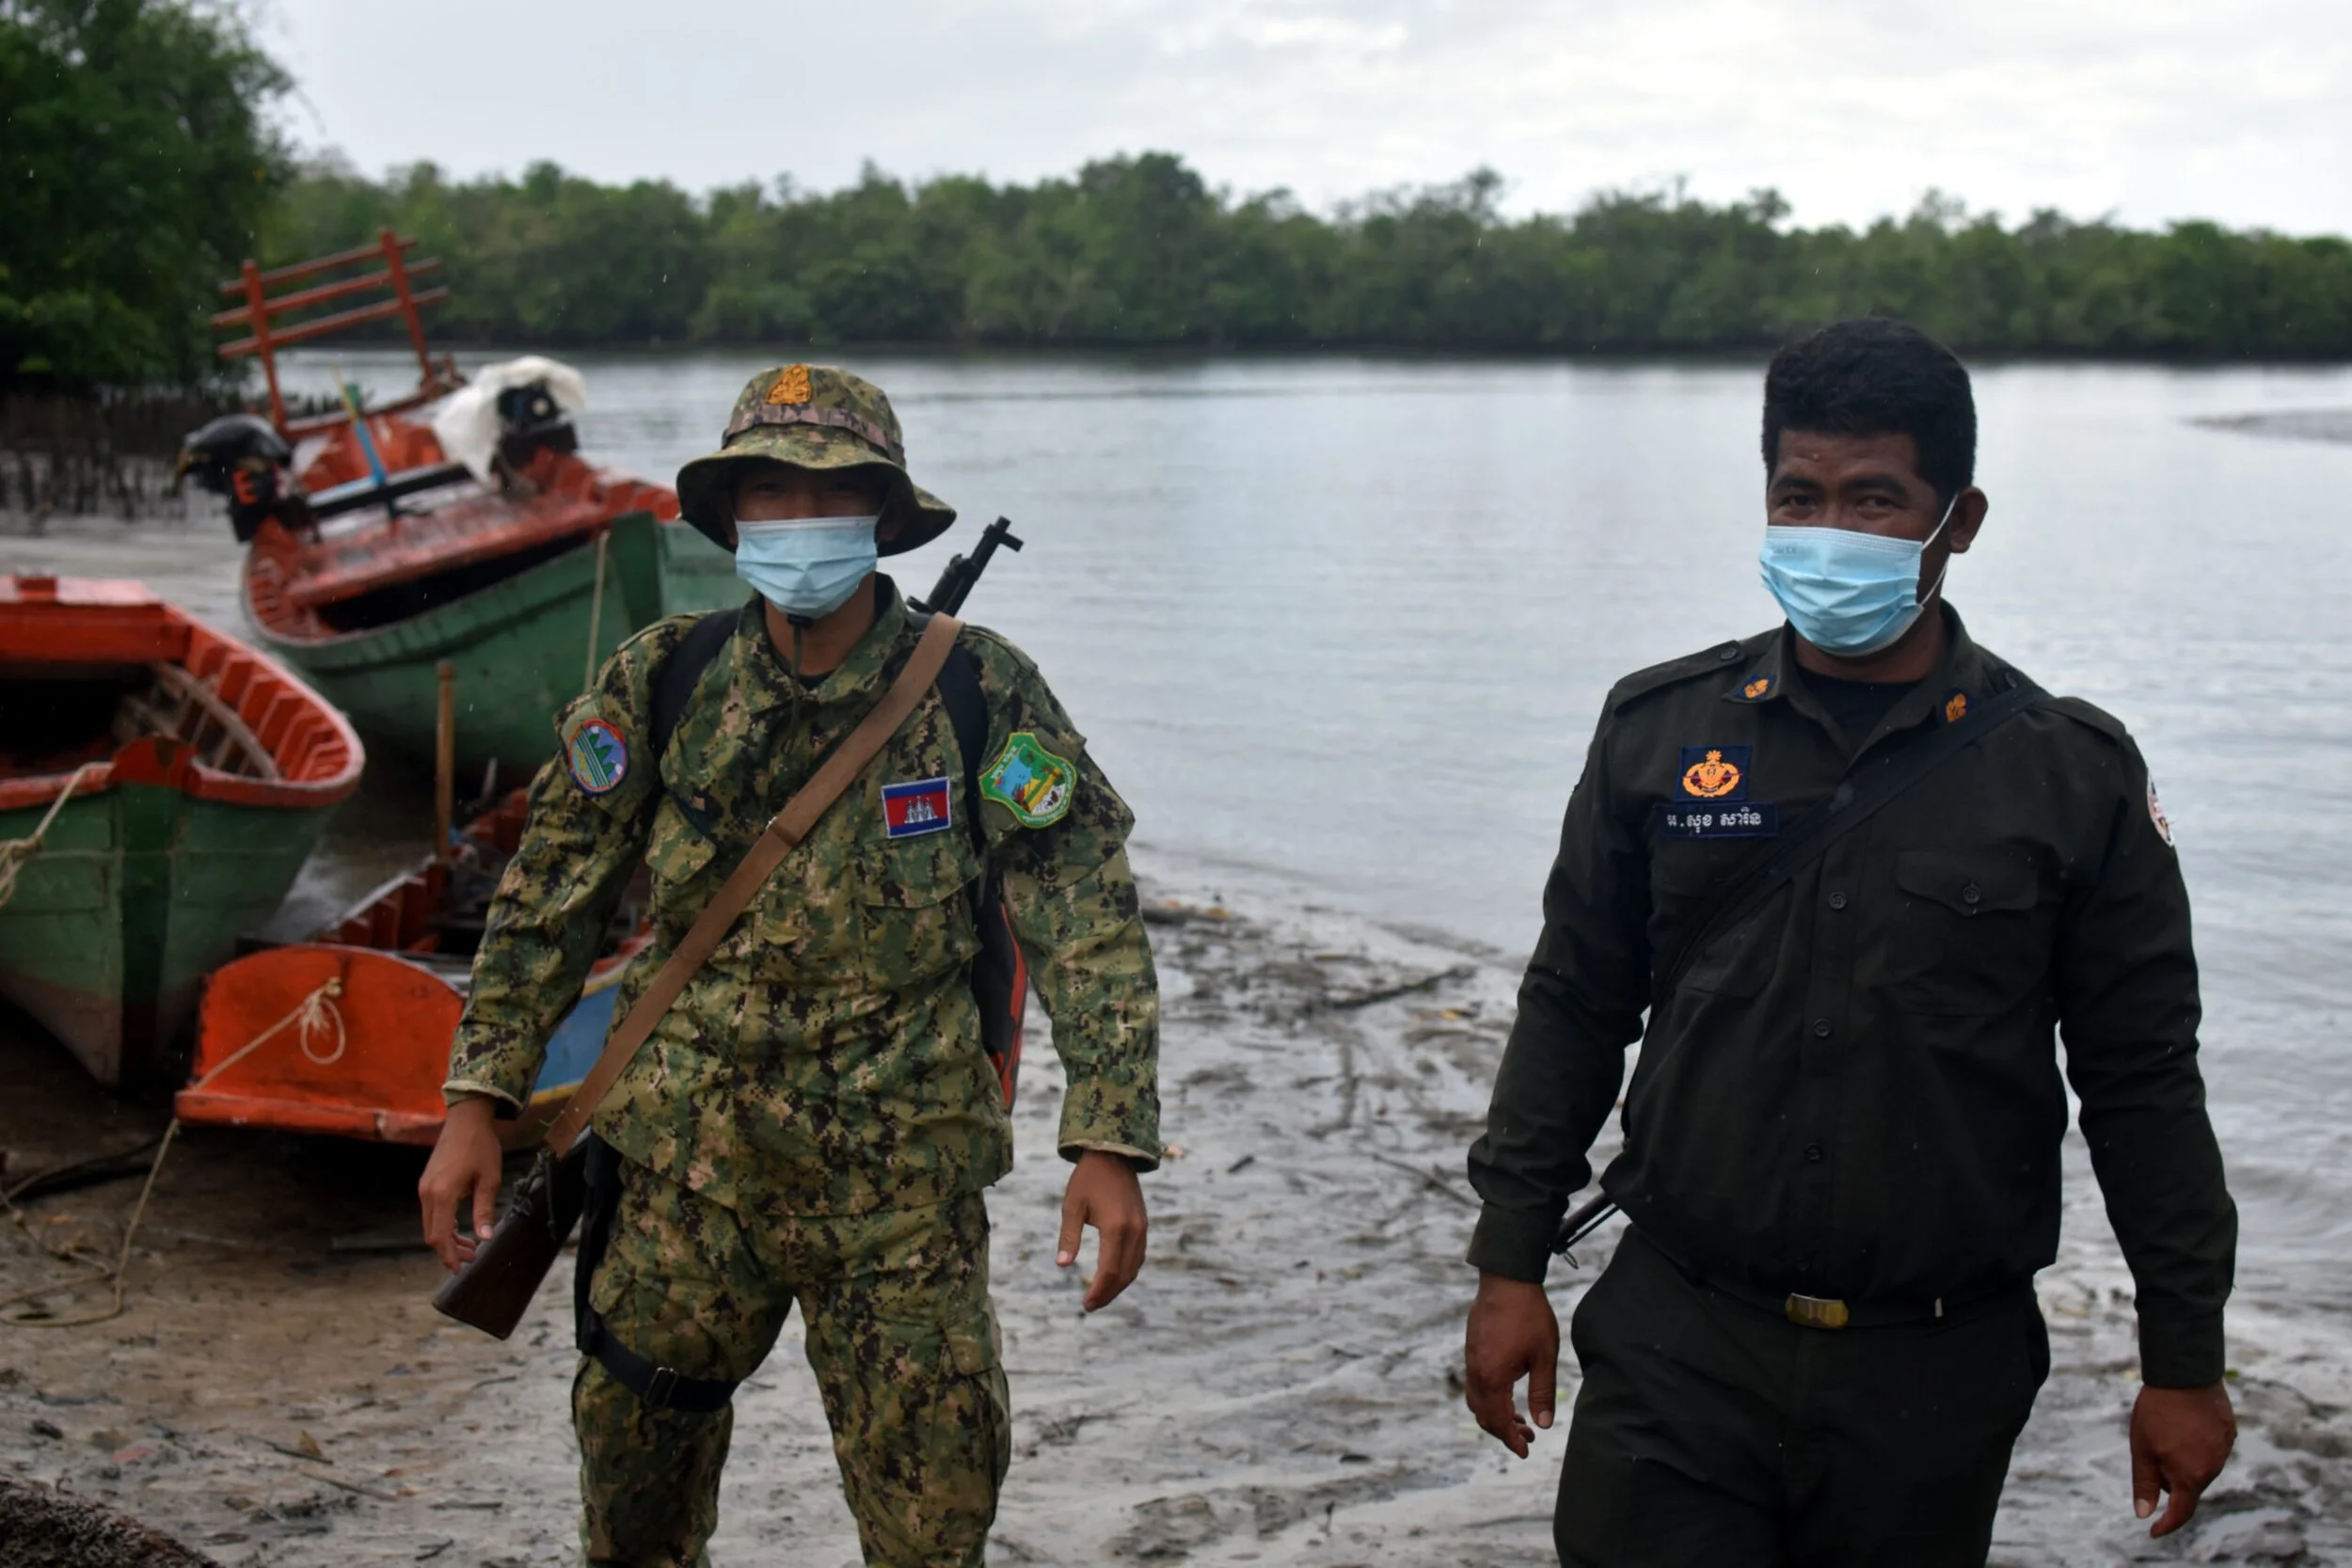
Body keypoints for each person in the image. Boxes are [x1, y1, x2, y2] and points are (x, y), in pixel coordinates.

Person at [1460, 318, 2237, 1566]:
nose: (1830, 530)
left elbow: (2143, 1082)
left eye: (1876, 498)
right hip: (1679, 1334)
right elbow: (1570, 1002)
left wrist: (2183, 1358)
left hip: (1935, 1364)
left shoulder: (2069, 775)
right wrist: (1509, 1260)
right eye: (1799, 495)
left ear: (1959, 520)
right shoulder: (1661, 731)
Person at [417, 364, 1162, 1567]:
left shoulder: (978, 688)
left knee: (933, 1528)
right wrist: (474, 1101)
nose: (795, 521)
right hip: (680, 1178)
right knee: (632, 1515)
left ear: (879, 515)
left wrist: (1110, 1140)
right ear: (730, 518)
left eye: (827, 495)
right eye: (768, 493)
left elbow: (1084, 913)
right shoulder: (663, 680)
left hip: (901, 1194)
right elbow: (549, 895)